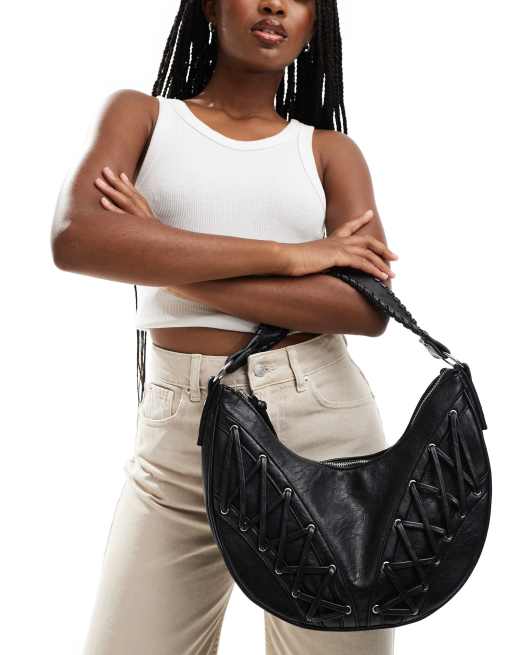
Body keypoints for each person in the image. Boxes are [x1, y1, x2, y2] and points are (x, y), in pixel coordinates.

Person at [51, 1, 399, 653]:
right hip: (178, 437)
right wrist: (291, 256)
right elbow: (77, 239)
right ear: (210, 5)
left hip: (321, 424)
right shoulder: (142, 117)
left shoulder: (329, 152)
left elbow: (365, 306)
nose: (275, 5)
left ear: (313, 24)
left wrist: (166, 258)